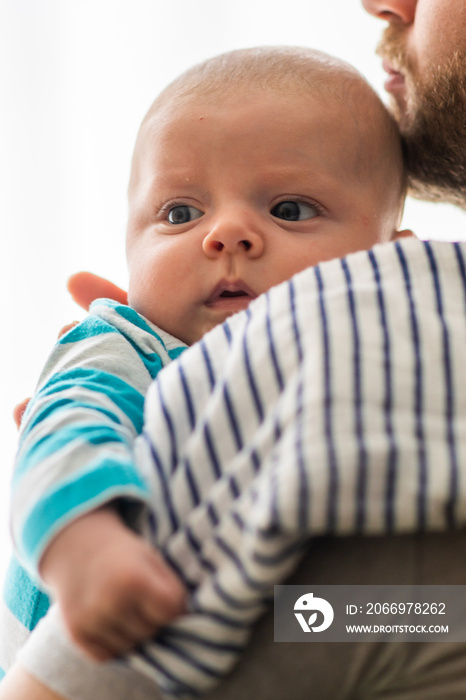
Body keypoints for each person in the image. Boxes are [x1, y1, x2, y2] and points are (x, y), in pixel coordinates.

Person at [2, 0, 466, 693]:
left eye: (290, 210)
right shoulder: (125, 341)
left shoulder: (396, 341)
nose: (226, 236)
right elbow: (63, 428)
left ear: (387, 262)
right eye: (180, 214)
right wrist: (86, 546)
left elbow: (371, 618)